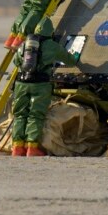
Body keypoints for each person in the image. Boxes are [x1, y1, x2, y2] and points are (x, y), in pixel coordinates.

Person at [11, 16, 77, 157]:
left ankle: (17, 147)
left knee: (20, 114)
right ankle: (31, 148)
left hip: (21, 83)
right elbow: (70, 61)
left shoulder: (25, 44)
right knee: (35, 115)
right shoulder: (52, 46)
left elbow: (16, 61)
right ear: (50, 31)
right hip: (40, 85)